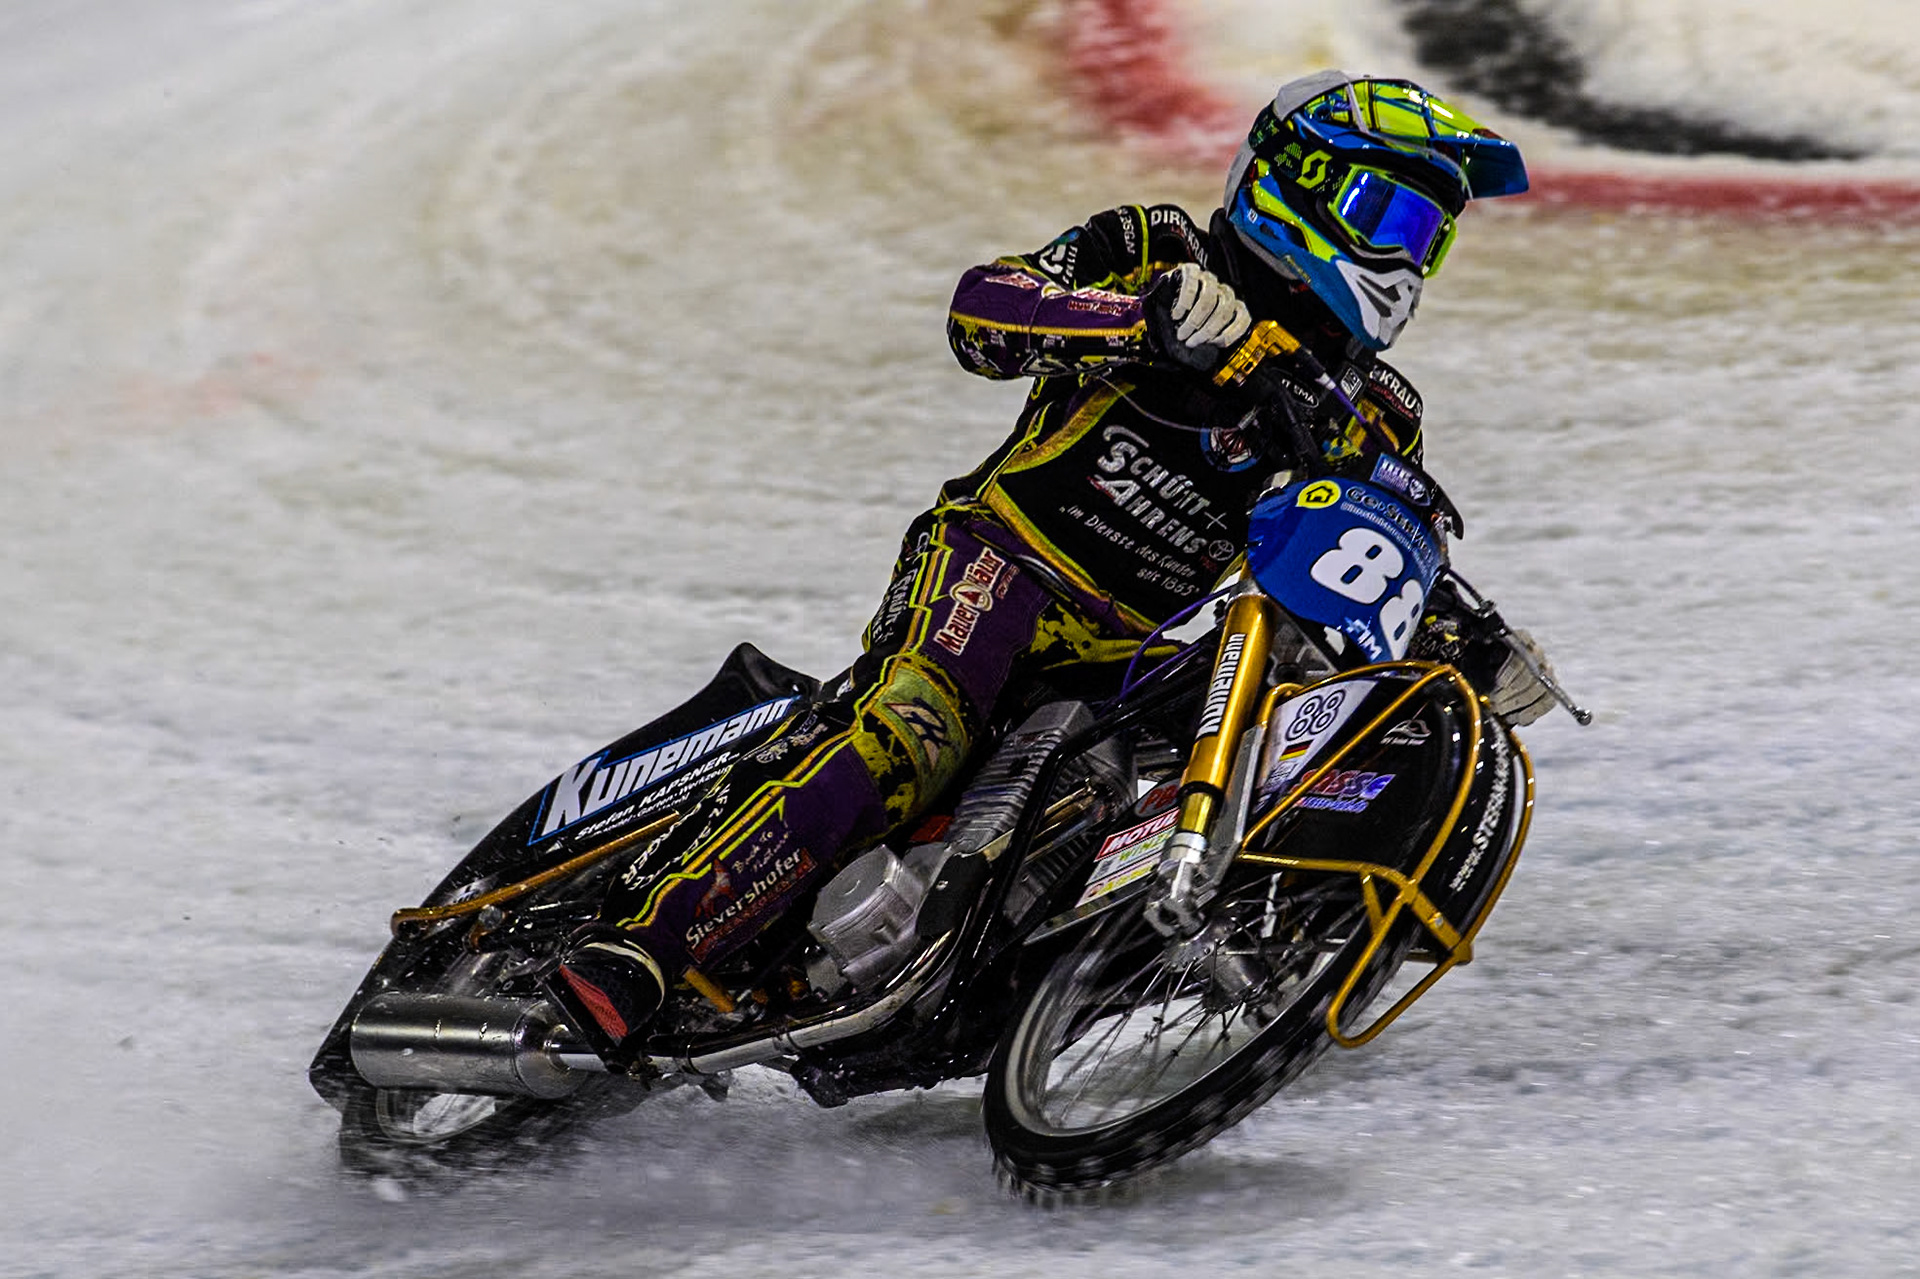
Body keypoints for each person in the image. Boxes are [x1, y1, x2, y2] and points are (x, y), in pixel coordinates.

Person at [544, 71, 1556, 1069]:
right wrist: (1139, 324)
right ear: (1291, 183)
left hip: (1129, 656)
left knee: (1248, 729)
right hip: (1002, 561)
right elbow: (982, 314)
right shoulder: (1160, 249)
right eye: (1389, 216)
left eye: (1431, 237)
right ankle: (642, 944)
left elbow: (1356, 553)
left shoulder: (1375, 410)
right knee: (919, 722)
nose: (1408, 263)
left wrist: (1459, 641)